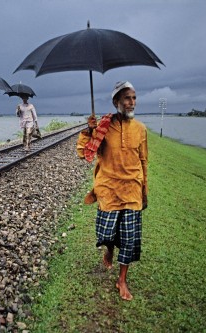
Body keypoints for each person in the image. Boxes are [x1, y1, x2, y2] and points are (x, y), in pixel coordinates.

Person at [77, 81, 148, 301]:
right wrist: (90, 131)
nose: (131, 102)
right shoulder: (103, 128)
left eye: (134, 98)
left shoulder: (141, 129)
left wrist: (144, 190)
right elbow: (83, 153)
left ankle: (122, 280)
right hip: (108, 188)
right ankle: (109, 248)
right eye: (127, 98)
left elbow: (143, 161)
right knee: (106, 233)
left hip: (132, 190)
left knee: (129, 239)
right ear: (116, 101)